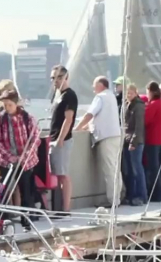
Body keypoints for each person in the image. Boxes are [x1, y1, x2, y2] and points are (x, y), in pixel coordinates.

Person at [0, 90, 41, 230]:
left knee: (27, 191)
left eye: (10, 105)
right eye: (5, 105)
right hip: (6, 160)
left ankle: (27, 221)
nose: (7, 108)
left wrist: (25, 156)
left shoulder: (28, 118)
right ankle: (2, 222)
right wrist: (10, 156)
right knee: (3, 190)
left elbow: (35, 138)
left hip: (26, 161)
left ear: (16, 103)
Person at [76, 76, 122, 206]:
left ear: (101, 85)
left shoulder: (100, 97)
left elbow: (90, 114)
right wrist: (87, 126)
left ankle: (113, 200)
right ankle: (118, 196)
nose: (93, 88)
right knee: (116, 168)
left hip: (106, 137)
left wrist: (78, 128)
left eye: (94, 85)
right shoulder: (111, 96)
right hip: (115, 135)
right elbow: (99, 117)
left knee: (109, 170)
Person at [48, 65, 77, 216]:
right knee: (57, 174)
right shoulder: (57, 95)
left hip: (63, 140)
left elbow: (68, 119)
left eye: (59, 77)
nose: (56, 81)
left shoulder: (69, 96)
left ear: (66, 77)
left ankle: (65, 209)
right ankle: (59, 208)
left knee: (63, 175)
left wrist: (60, 139)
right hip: (53, 139)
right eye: (53, 78)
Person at [121, 84, 147, 205]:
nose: (129, 95)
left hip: (135, 141)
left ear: (136, 93)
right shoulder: (128, 105)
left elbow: (139, 126)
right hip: (127, 140)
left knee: (137, 169)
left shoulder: (138, 106)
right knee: (129, 170)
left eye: (131, 93)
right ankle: (131, 195)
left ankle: (141, 196)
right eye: (127, 93)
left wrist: (133, 141)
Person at [144, 82, 161, 202]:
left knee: (153, 167)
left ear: (150, 91)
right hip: (159, 138)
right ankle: (158, 192)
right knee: (155, 166)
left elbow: (145, 119)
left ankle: (156, 194)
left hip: (152, 138)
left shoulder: (153, 104)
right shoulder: (160, 103)